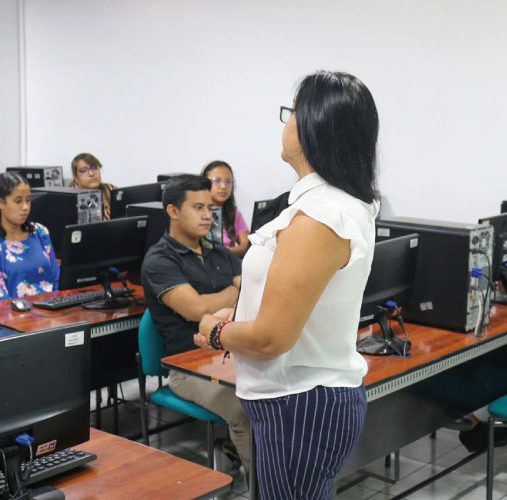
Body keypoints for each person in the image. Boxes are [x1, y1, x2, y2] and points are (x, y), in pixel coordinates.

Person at [195, 71, 380, 499]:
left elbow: (271, 338)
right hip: (297, 400)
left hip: (299, 404)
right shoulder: (327, 204)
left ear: (315, 125)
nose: (286, 124)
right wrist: (241, 313)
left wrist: (215, 331)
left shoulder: (321, 216)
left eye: (292, 113)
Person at [141, 174, 251, 472]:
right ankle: (265, 487)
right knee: (245, 409)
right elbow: (196, 310)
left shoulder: (220, 254)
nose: (207, 216)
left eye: (210, 209)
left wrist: (236, 293)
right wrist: (233, 291)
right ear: (173, 212)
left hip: (230, 355)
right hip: (187, 368)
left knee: (279, 394)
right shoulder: (159, 260)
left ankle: (234, 448)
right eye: (198, 208)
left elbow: (252, 292)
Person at [0, 173, 59, 337]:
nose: (26, 207)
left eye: (28, 200)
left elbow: (56, 279)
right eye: (18, 201)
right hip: (9, 322)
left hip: (49, 315)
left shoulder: (40, 232)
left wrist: (53, 312)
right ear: (0, 202)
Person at [201, 160, 250, 257]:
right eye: (217, 181)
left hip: (227, 265)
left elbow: (246, 245)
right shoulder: (195, 212)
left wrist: (222, 253)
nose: (223, 186)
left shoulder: (234, 213)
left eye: (228, 181)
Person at [69, 152, 115, 220]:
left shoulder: (110, 189)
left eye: (94, 168)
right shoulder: (69, 196)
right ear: (75, 177)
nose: (91, 174)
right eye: (84, 170)